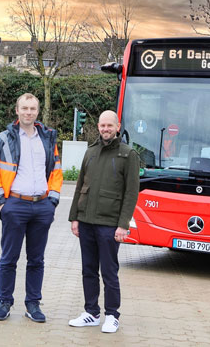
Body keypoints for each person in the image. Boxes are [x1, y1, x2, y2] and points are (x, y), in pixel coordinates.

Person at [0, 93, 63, 323]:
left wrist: (52, 201)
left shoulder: (47, 138)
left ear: (38, 111)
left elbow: (56, 170)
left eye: (32, 108)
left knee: (37, 260)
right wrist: (1, 202)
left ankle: (33, 304)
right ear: (17, 110)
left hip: (42, 206)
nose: (29, 112)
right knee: (9, 258)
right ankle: (4, 302)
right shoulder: (3, 138)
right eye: (24, 108)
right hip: (14, 205)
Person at [68, 110, 139, 334]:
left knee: (109, 271)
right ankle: (91, 313)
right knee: (88, 269)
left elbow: (131, 193)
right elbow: (80, 186)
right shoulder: (90, 152)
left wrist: (123, 224)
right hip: (86, 220)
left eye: (109, 125)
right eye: (102, 125)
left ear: (117, 127)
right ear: (98, 127)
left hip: (109, 224)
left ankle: (112, 315)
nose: (105, 129)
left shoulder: (128, 155)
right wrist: (74, 217)